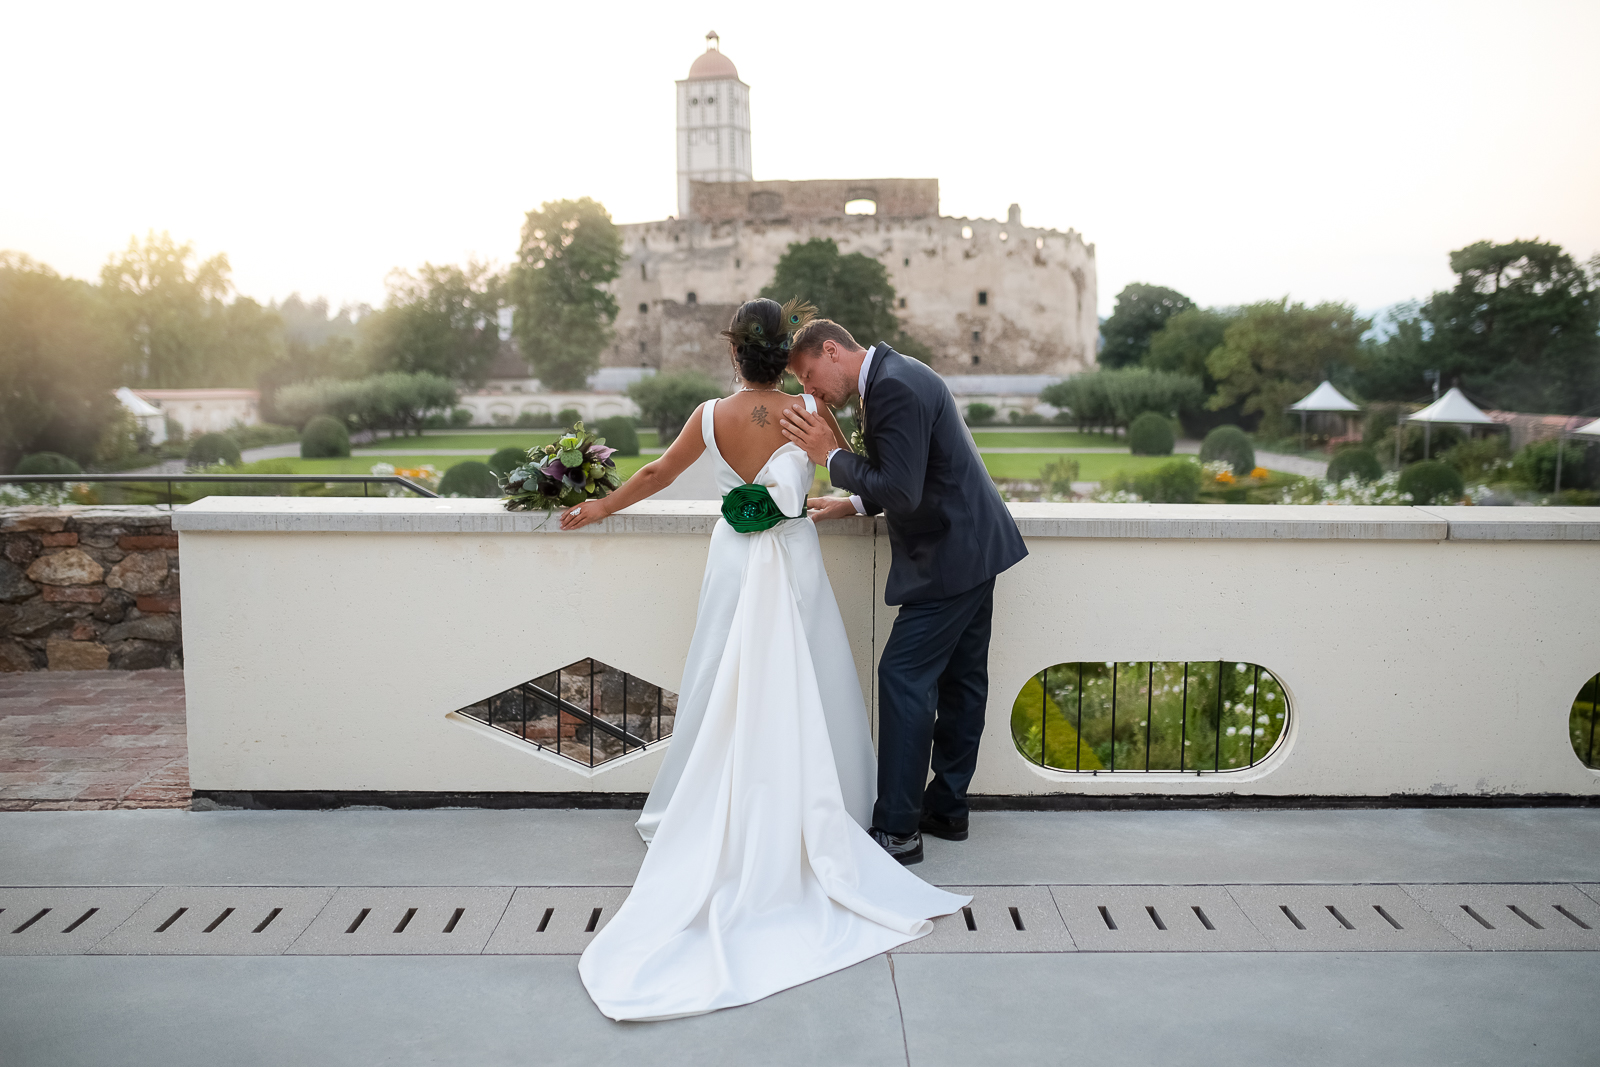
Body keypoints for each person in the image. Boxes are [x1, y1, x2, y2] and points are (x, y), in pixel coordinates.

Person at [560, 298, 965, 1022]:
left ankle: (714, 796)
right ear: (786, 357)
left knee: (722, 673)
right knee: (810, 674)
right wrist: (835, 492)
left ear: (735, 354)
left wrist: (598, 508)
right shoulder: (809, 409)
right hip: (794, 555)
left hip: (734, 560)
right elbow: (853, 472)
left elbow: (655, 474)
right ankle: (837, 802)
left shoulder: (708, 415)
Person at [781, 322, 1027, 865]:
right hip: (973, 546)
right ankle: (947, 809)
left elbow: (902, 490)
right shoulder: (894, 375)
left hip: (950, 556)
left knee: (903, 676)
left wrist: (830, 456)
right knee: (962, 682)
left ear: (831, 350)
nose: (810, 389)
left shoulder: (892, 386)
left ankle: (897, 830)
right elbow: (910, 471)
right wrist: (852, 504)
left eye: (809, 375)